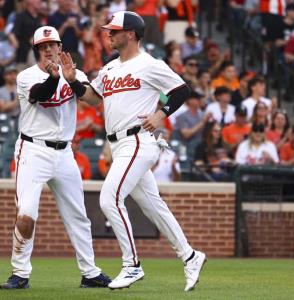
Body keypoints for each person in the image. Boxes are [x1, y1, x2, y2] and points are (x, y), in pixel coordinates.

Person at [59, 11, 206, 292]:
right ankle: (190, 255)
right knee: (154, 206)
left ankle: (132, 265)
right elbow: (92, 98)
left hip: (137, 140)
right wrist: (73, 81)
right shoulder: (110, 67)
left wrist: (161, 114)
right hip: (118, 144)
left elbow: (181, 90)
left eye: (114, 31)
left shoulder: (149, 64)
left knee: (109, 199)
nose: (109, 34)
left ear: (131, 34)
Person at [0, 25, 111, 290]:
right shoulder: (26, 76)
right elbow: (40, 95)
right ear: (37, 50)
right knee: (27, 213)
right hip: (33, 150)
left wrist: (71, 80)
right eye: (43, 46)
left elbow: (94, 101)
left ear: (61, 47)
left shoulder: (75, 73)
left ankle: (90, 272)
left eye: (53, 45)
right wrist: (55, 77)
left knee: (78, 215)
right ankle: (20, 273)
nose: (49, 49)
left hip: (64, 153)